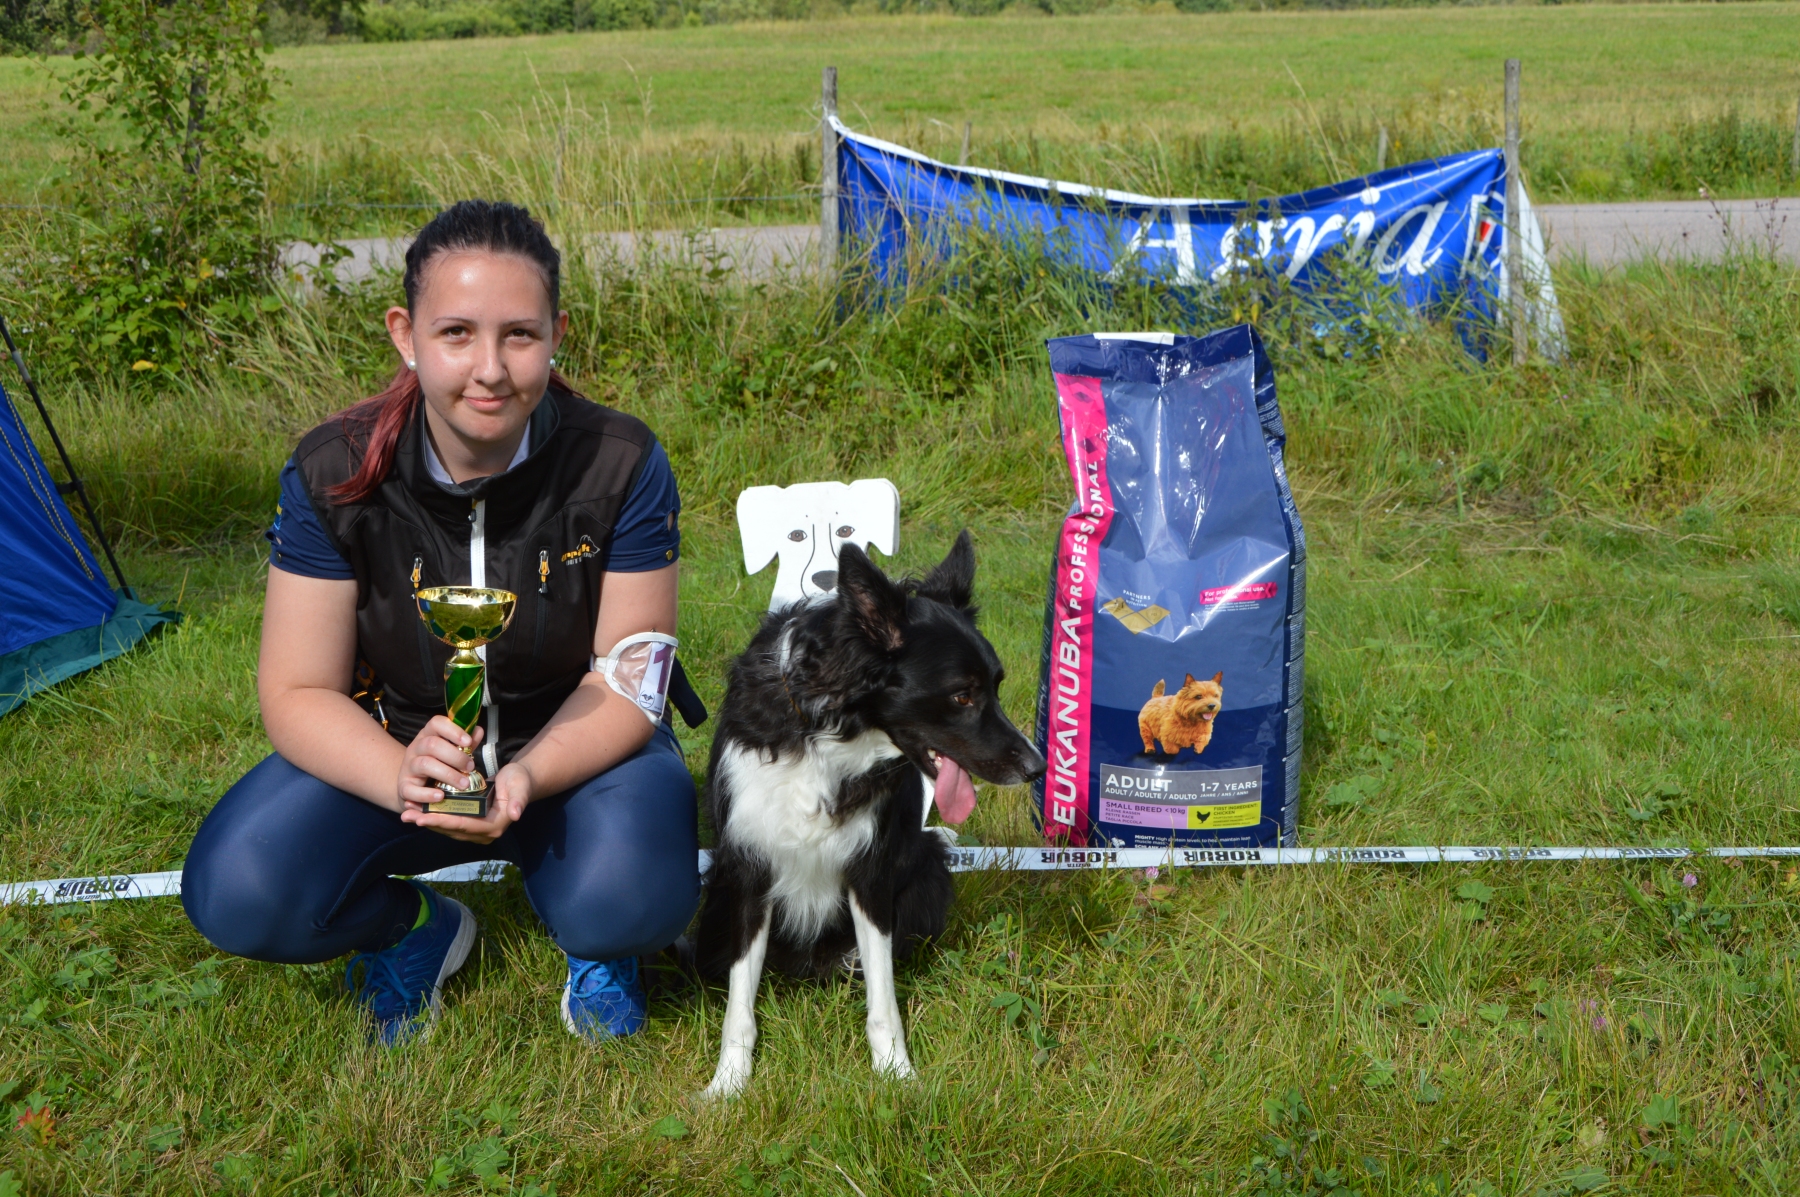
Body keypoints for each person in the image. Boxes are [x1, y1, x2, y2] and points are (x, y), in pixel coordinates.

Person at [181, 200, 698, 1045]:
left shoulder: (623, 460)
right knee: (240, 889)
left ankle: (597, 938)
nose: (489, 369)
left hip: (577, 750)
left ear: (557, 335)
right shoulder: (331, 469)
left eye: (519, 334)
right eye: (456, 332)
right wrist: (401, 773)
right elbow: (297, 688)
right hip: (397, 743)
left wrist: (527, 776)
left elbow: (630, 679)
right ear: (406, 335)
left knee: (631, 898)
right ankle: (415, 928)